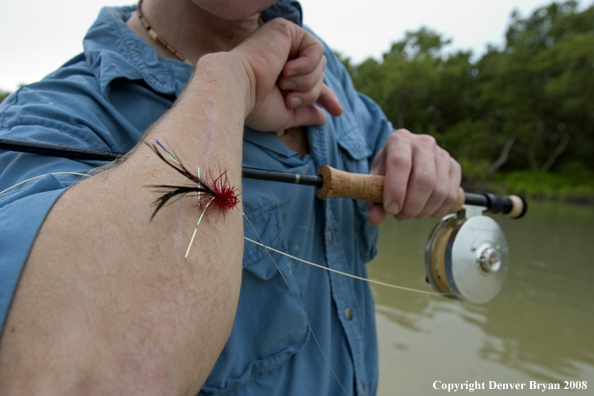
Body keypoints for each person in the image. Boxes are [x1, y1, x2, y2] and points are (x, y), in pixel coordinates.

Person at [0, 0, 461, 394]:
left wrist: (415, 156)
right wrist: (229, 80)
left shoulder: (324, 70)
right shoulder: (47, 121)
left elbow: (391, 150)